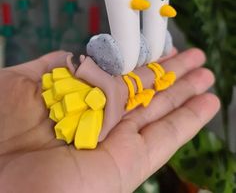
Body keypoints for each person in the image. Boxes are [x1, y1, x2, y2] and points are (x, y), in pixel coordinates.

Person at [0, 47, 220, 193]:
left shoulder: (112, 89)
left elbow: (111, 104)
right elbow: (108, 110)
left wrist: (89, 73)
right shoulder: (104, 92)